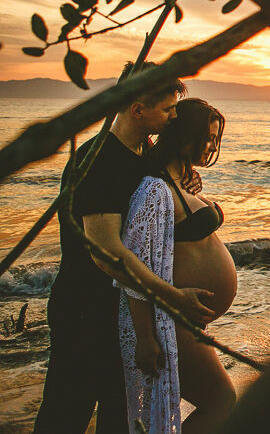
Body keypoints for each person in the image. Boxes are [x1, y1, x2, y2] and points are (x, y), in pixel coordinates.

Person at [34, 64, 216, 434]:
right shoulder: (100, 161)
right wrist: (173, 297)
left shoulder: (139, 151)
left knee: (120, 417)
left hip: (121, 316)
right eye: (167, 109)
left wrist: (185, 176)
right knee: (66, 415)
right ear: (137, 110)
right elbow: (107, 253)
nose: (174, 116)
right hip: (85, 314)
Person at [120, 98, 238, 433]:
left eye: (216, 139)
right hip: (170, 320)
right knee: (221, 401)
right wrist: (145, 338)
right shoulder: (154, 189)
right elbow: (133, 266)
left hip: (186, 320)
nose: (212, 146)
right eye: (207, 137)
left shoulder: (178, 180)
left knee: (218, 401)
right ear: (185, 134)